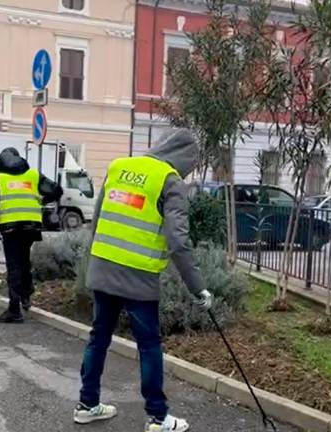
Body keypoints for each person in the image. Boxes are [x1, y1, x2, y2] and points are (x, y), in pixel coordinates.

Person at [73, 129, 212, 432]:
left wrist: (92, 264)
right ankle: (158, 417)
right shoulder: (170, 180)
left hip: (102, 268)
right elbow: (178, 240)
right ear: (186, 157)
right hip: (138, 276)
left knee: (99, 338)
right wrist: (198, 286)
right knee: (149, 346)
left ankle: (87, 404)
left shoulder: (119, 166)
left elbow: (96, 221)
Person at [0, 147, 62, 323]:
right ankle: (26, 295)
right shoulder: (33, 176)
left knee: (14, 265)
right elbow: (57, 191)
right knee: (24, 261)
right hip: (31, 226)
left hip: (11, 228)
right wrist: (42, 201)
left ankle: (14, 309)